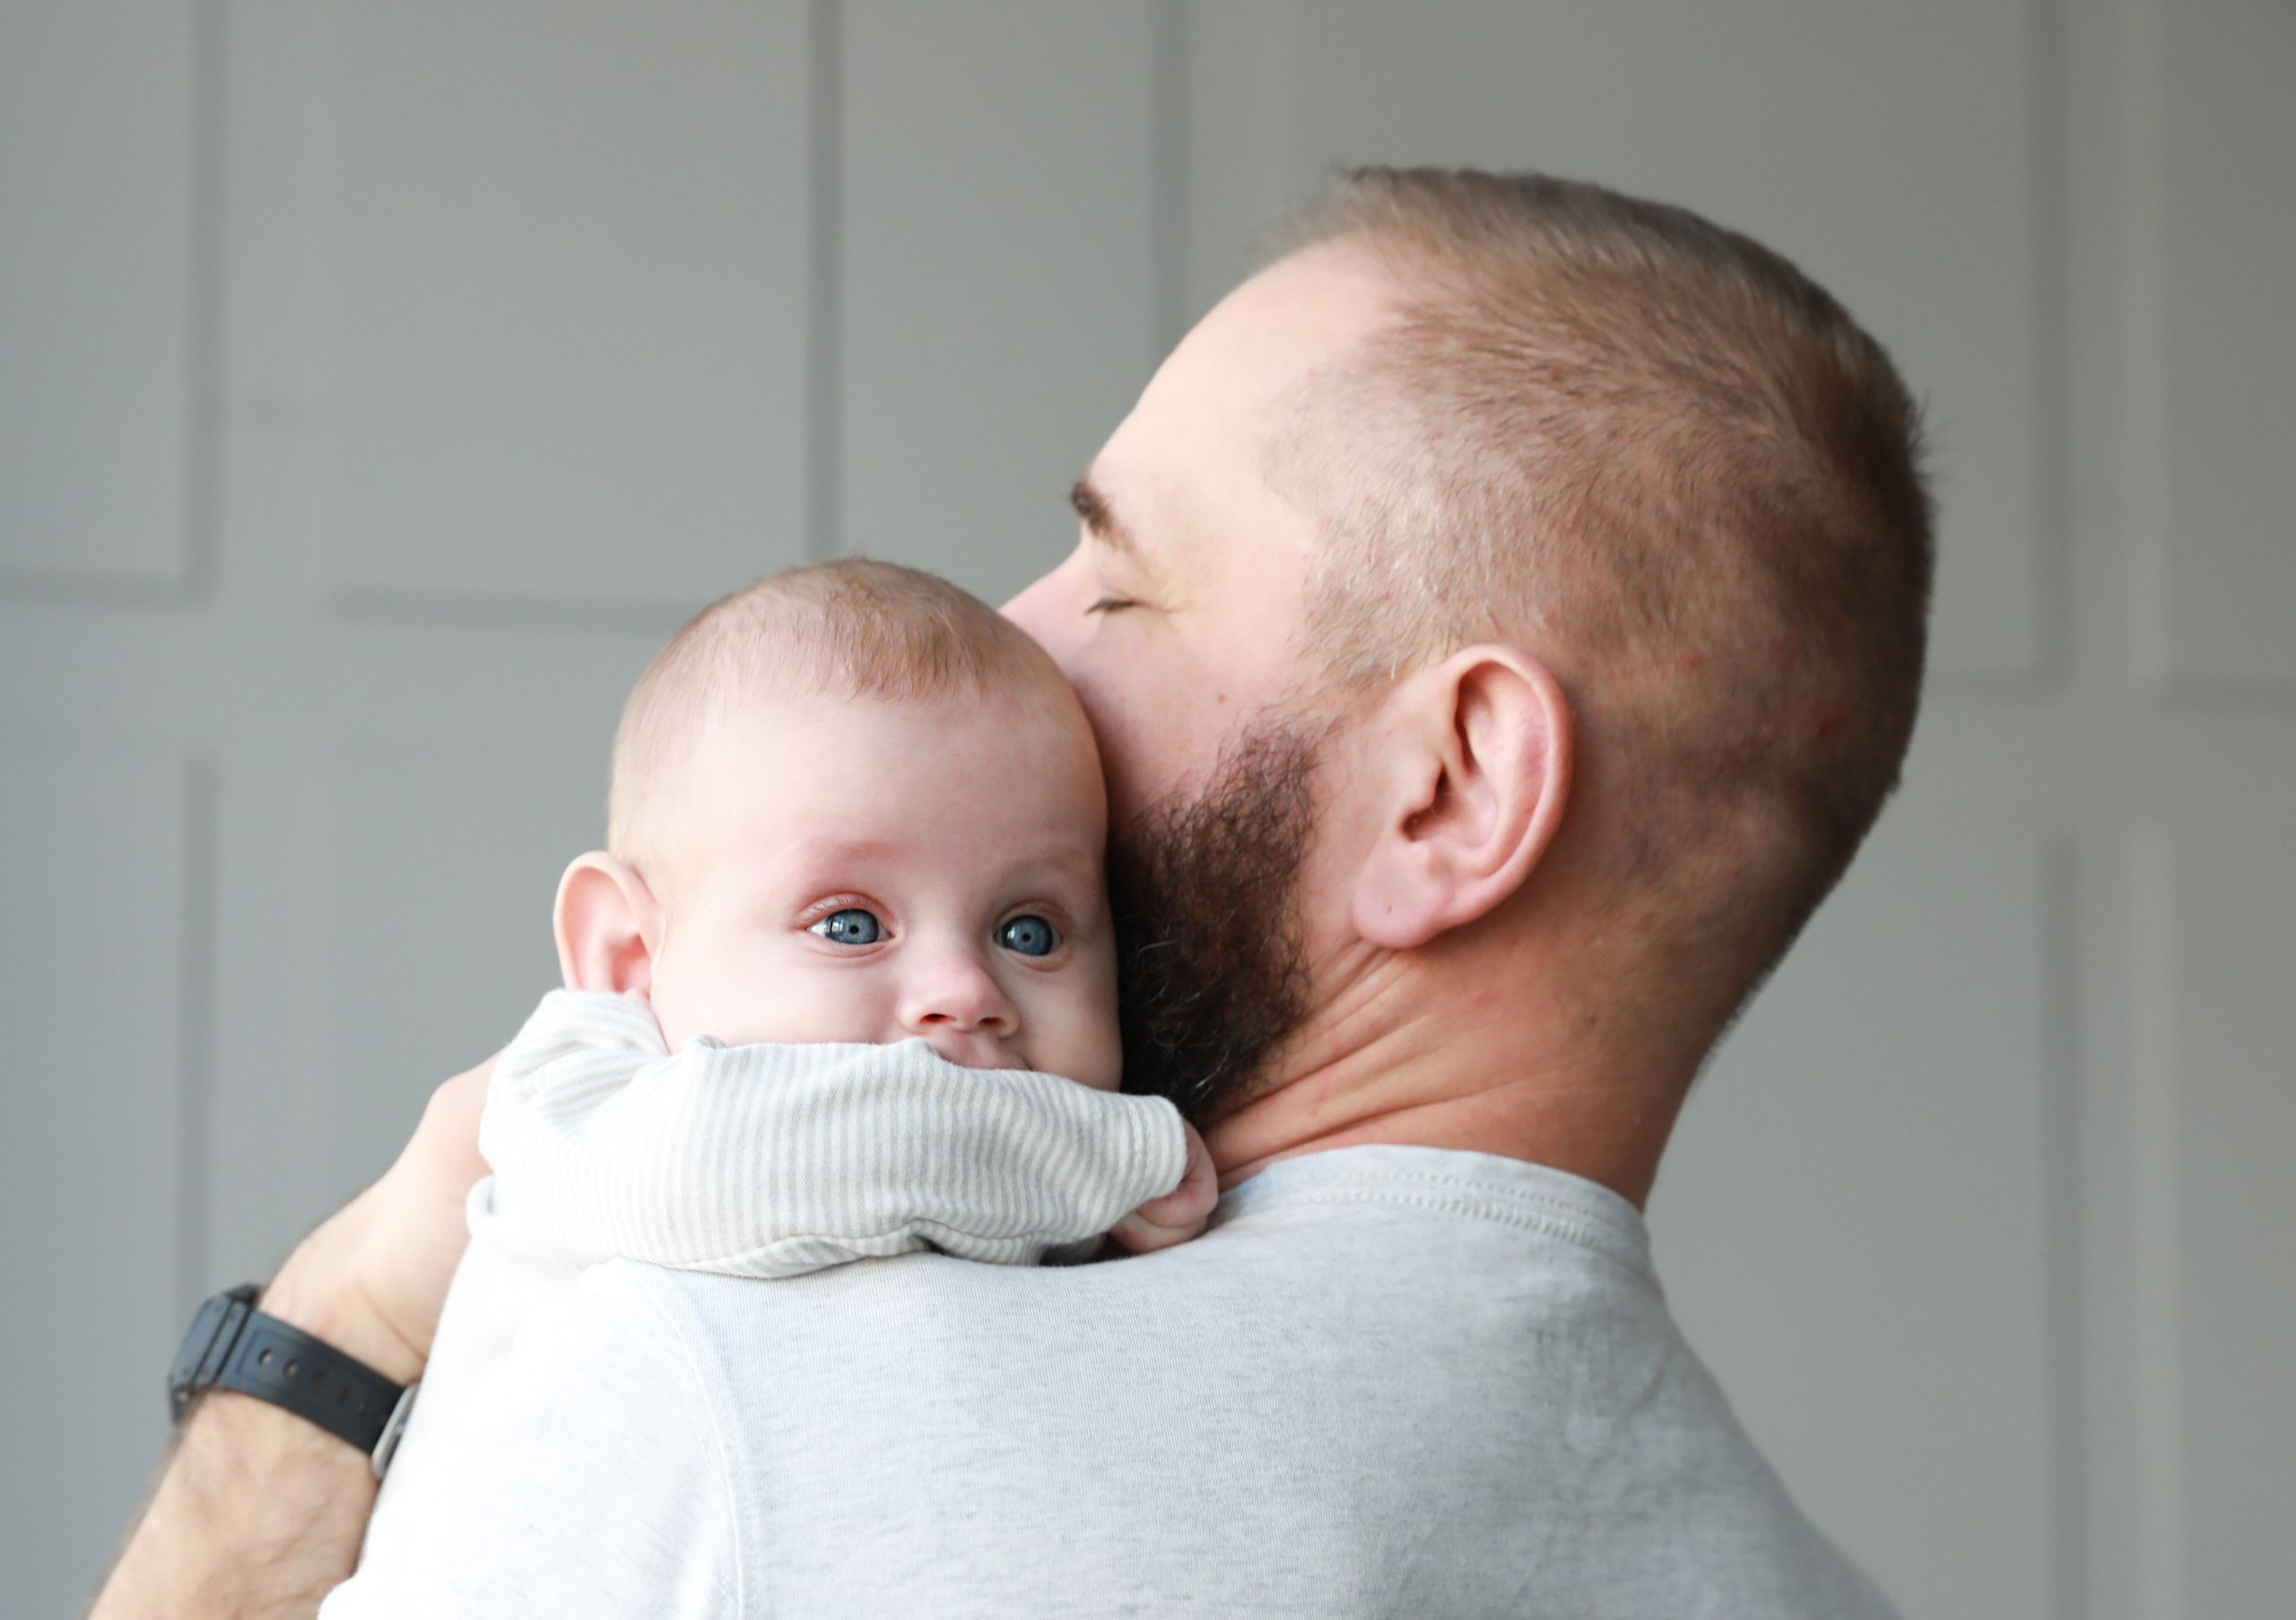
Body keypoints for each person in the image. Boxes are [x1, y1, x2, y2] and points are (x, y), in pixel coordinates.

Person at [95, 167, 1931, 1618]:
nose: (1010, 638)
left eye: (1116, 587)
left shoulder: (717, 1405)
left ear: (1447, 795)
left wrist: (347, 1319)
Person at [320, 561, 1215, 1616]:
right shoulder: (585, 1096)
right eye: (850, 924)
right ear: (627, 957)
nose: (967, 991)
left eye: (1030, 930)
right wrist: (1114, 1156)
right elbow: (779, 1153)